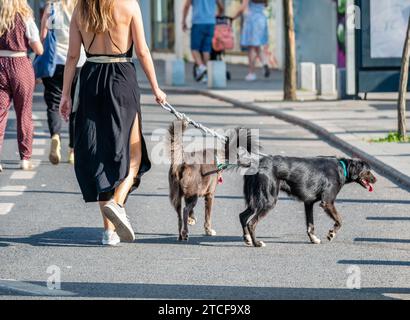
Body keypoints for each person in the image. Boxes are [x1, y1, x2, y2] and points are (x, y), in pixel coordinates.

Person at [59, 0, 166, 246]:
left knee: (100, 156)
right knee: (134, 154)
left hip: (90, 79)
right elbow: (142, 51)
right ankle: (117, 203)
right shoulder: (129, 5)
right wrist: (156, 88)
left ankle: (109, 232)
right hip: (121, 79)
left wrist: (65, 94)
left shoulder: (81, 8)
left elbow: (73, 55)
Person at [40, 0, 86, 165]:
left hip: (55, 62)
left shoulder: (51, 8)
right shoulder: (80, 8)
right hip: (78, 62)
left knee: (53, 103)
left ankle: (55, 136)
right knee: (75, 106)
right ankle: (72, 150)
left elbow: (43, 37)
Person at [0, 0, 43, 173]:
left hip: (0, 65)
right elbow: (38, 49)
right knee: (24, 112)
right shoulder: (25, 18)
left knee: (0, 114)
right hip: (20, 65)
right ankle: (25, 158)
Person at [182, 0, 224, 82]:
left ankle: (202, 67)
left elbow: (186, 6)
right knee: (206, 49)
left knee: (194, 48)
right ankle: (205, 74)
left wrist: (183, 21)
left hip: (198, 22)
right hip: (210, 22)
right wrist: (216, 15)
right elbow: (221, 7)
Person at [233, 0, 270, 81]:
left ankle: (251, 73)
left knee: (251, 48)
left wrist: (233, 17)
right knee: (257, 46)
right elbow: (266, 5)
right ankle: (265, 63)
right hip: (262, 19)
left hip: (252, 20)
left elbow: (242, 7)